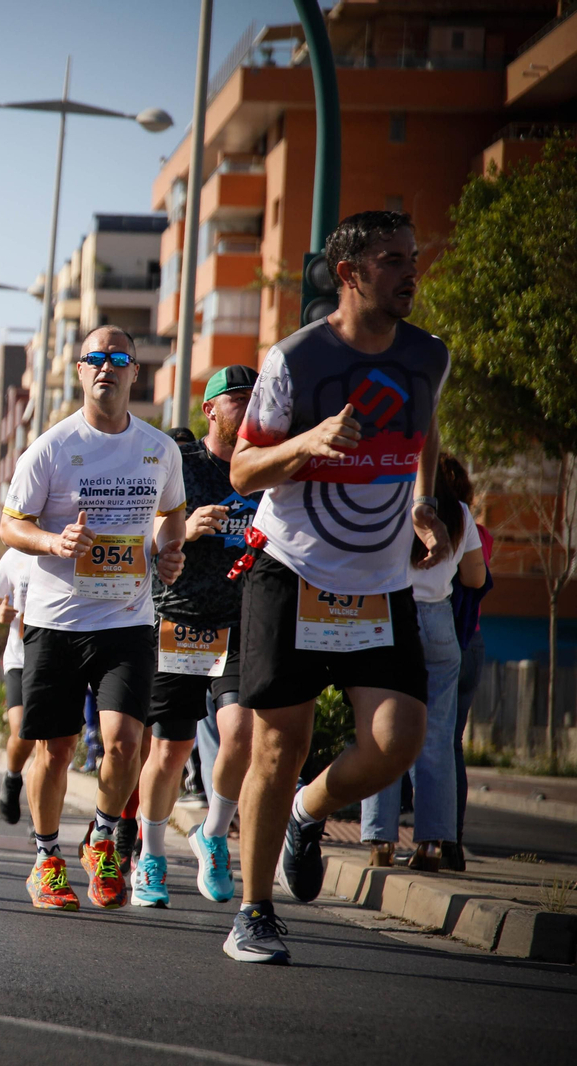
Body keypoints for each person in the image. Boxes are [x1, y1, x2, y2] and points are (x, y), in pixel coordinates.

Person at [225, 210, 451, 964]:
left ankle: (307, 811)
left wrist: (424, 506)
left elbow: (424, 432)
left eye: (412, 257)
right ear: (349, 274)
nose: (409, 271)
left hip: (380, 581)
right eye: (392, 259)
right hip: (290, 569)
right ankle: (253, 912)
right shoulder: (297, 360)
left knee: (397, 742)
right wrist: (308, 441)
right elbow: (243, 471)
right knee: (277, 744)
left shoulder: (428, 355)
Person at [0, 326, 187, 912]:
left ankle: (103, 840)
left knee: (126, 743)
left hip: (127, 620)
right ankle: (46, 858)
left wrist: (170, 550)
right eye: (95, 359)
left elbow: (172, 512)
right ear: (80, 371)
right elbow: (11, 525)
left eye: (118, 359)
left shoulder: (160, 449)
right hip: (56, 621)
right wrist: (55, 543)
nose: (106, 367)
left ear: (136, 373)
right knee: (54, 751)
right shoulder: (50, 448)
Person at [137, 365, 262, 908]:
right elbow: (139, 529)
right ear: (211, 410)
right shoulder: (180, 464)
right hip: (179, 619)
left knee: (241, 735)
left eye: (257, 399)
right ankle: (152, 855)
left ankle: (213, 835)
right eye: (239, 400)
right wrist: (183, 530)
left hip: (240, 623)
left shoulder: (268, 468)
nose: (250, 409)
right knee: (171, 749)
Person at [359, 456, 485, 869]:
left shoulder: (390, 502)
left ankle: (381, 842)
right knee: (437, 736)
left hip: (390, 618)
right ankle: (431, 845)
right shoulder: (461, 513)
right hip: (440, 621)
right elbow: (475, 579)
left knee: (381, 731)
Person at [445, 457, 491, 872]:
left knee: (407, 739)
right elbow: (477, 580)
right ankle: (450, 841)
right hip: (470, 640)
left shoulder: (417, 519)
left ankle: (384, 838)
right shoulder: (479, 532)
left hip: (437, 631)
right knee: (450, 742)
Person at [0, 547, 32, 824]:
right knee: (23, 730)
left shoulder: (75, 547)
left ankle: (42, 824)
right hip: (21, 658)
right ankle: (13, 778)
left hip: (60, 660)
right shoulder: (17, 554)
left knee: (53, 746)